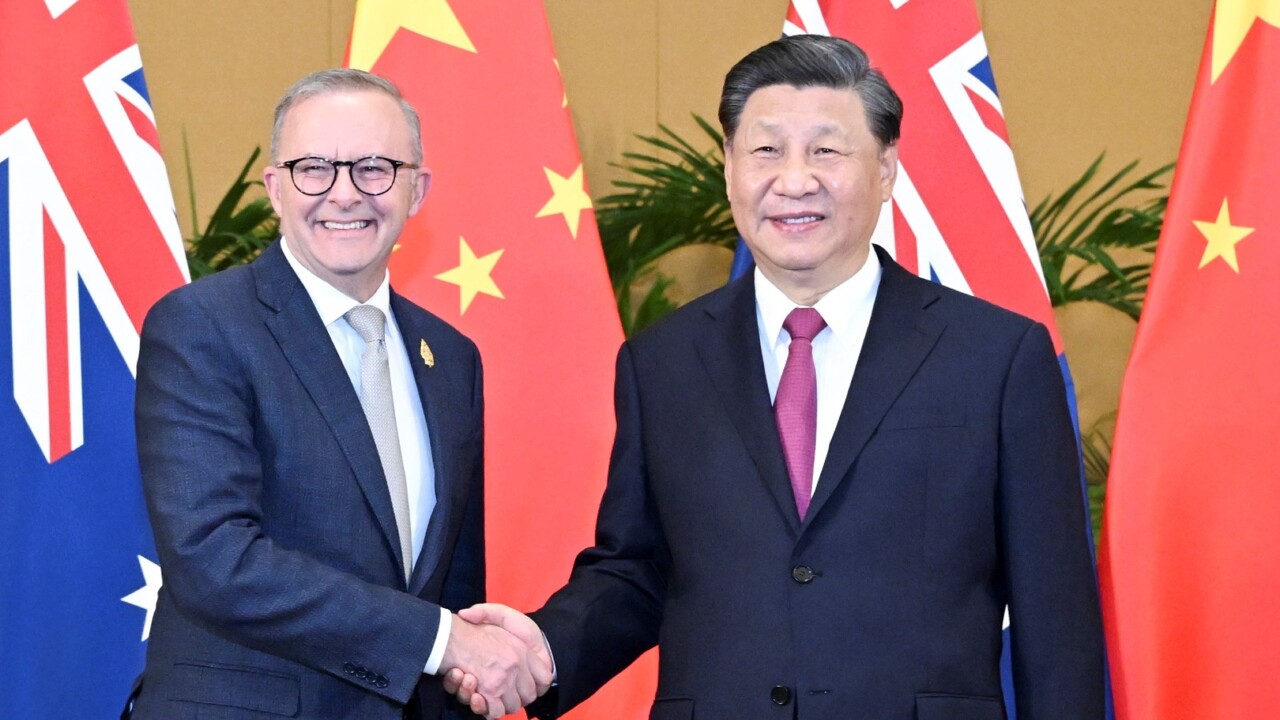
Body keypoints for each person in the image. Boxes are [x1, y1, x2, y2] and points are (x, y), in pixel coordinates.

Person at [450, 35, 1105, 720]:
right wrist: (546, 649)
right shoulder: (662, 362)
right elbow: (640, 571)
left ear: (886, 168)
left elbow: (1054, 616)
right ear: (730, 167)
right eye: (765, 151)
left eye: (826, 150)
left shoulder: (997, 356)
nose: (794, 180)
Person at [126, 69, 550, 720]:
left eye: (375, 168)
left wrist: (470, 663)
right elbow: (212, 556)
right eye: (314, 168)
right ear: (274, 188)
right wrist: (442, 642)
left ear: (417, 189)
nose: (345, 194)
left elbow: (452, 584)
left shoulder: (451, 358)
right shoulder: (202, 326)